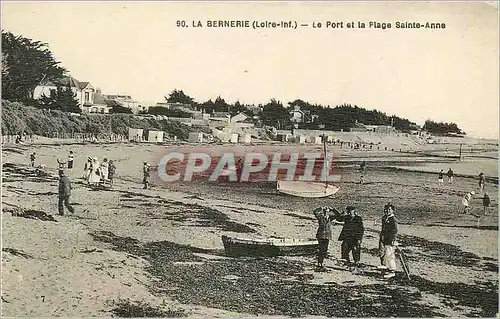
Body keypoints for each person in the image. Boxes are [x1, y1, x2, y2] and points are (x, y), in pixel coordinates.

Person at [379, 203, 398, 279]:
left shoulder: (393, 220)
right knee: (383, 254)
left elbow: (395, 231)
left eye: (389, 210)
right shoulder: (384, 218)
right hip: (383, 238)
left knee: (390, 255)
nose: (387, 211)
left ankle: (392, 271)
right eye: (386, 209)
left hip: (389, 239)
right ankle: (385, 268)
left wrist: (393, 240)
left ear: (393, 210)